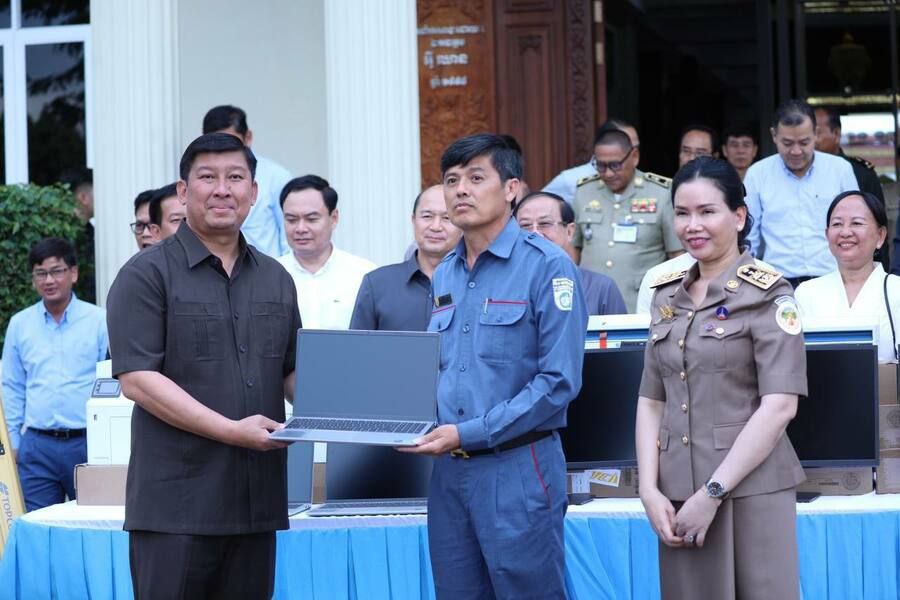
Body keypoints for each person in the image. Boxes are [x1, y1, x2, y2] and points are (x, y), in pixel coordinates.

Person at [106, 133, 301, 599]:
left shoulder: (276, 278)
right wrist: (231, 430)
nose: (222, 190)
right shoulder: (146, 275)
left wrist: (360, 414)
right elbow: (138, 380)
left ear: (254, 192)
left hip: (256, 506)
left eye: (235, 177)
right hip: (176, 509)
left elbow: (292, 372)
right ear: (182, 190)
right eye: (207, 177)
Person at [400, 134, 587, 599]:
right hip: (449, 473)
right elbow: (438, 369)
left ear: (511, 189)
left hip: (518, 467)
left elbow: (558, 382)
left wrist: (469, 432)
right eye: (451, 180)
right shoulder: (445, 272)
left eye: (476, 177)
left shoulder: (548, 267)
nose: (460, 190)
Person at [636, 156, 806, 599]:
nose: (693, 225)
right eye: (682, 213)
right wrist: (649, 489)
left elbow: (780, 406)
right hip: (677, 491)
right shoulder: (665, 294)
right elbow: (652, 400)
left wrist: (711, 493)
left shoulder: (769, 293)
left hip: (752, 491)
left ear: (739, 216)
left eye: (707, 211)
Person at [1, 237, 108, 511]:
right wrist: (14, 442)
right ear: (33, 279)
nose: (49, 280)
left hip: (87, 443)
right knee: (36, 523)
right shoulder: (20, 324)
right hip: (37, 446)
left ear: (73, 273)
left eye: (56, 271)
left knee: (91, 520)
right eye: (40, 273)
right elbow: (12, 386)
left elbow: (109, 382)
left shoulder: (99, 321)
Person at [744, 98, 859, 287]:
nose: (796, 151)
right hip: (776, 284)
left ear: (816, 134)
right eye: (787, 143)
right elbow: (749, 236)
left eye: (804, 142)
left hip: (833, 280)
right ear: (774, 135)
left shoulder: (840, 170)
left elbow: (856, 227)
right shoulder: (757, 174)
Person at [573, 124, 682, 311]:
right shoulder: (584, 191)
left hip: (639, 304)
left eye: (615, 165)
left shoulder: (661, 193)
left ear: (634, 157)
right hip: (590, 304)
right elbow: (573, 250)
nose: (608, 173)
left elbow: (677, 257)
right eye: (601, 165)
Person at [795, 191, 899, 363]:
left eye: (856, 223)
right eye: (837, 224)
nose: (845, 232)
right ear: (827, 234)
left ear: (880, 235)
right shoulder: (806, 293)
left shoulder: (896, 290)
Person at [350, 184, 461, 331]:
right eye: (427, 216)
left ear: (462, 224)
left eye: (447, 218)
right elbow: (357, 344)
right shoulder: (377, 284)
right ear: (413, 220)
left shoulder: (474, 283)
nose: (435, 226)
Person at [277, 175, 375, 329]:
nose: (300, 228)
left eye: (311, 219)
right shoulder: (270, 274)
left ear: (334, 218)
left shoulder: (364, 274)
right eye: (291, 220)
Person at [515, 190, 627, 315]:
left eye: (545, 223)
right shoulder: (505, 284)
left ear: (569, 231)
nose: (535, 233)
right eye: (525, 225)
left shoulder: (600, 288)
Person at [203, 105, 292, 258]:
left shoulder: (276, 176)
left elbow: (288, 237)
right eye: (216, 143)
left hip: (266, 269)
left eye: (231, 142)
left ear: (248, 137)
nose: (223, 149)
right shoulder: (199, 179)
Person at [814, 106, 888, 270]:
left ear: (836, 134)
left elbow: (878, 226)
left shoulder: (861, 172)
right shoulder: (799, 172)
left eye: (817, 132)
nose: (812, 139)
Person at [542, 118, 641, 204]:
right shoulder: (571, 180)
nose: (634, 154)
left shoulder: (644, 183)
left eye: (636, 148)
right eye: (627, 145)